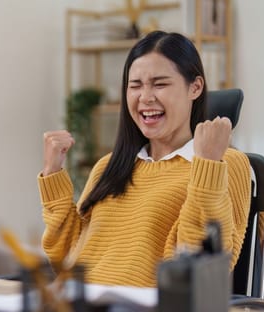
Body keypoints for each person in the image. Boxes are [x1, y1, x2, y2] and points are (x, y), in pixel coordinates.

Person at [38, 31, 251, 287]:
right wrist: (52, 174)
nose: (145, 97)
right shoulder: (109, 166)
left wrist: (207, 165)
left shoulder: (224, 163)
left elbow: (198, 269)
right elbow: (67, 258)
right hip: (78, 307)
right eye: (135, 85)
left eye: (159, 84)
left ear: (195, 87)